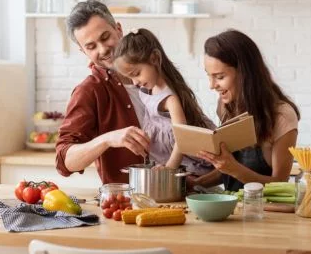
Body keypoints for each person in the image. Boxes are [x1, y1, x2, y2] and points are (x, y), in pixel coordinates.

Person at [55, 1, 151, 184]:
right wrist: (107, 139)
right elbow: (64, 161)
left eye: (105, 37)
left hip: (182, 191)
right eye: (91, 47)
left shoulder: (155, 70)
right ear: (83, 51)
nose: (103, 49)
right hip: (128, 202)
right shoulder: (89, 91)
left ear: (119, 29)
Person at [195, 29, 301, 191]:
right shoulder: (226, 106)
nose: (212, 85)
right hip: (232, 208)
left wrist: (233, 169)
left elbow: (280, 183)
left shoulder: (282, 116)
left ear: (245, 73)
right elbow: (227, 169)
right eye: (209, 76)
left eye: (220, 77)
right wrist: (196, 183)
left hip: (265, 212)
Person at [113, 28, 215, 176]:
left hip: (188, 167)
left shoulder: (170, 99)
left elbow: (183, 138)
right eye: (130, 78)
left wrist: (169, 169)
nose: (135, 82)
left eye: (136, 74)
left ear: (154, 58)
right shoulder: (147, 90)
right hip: (167, 163)